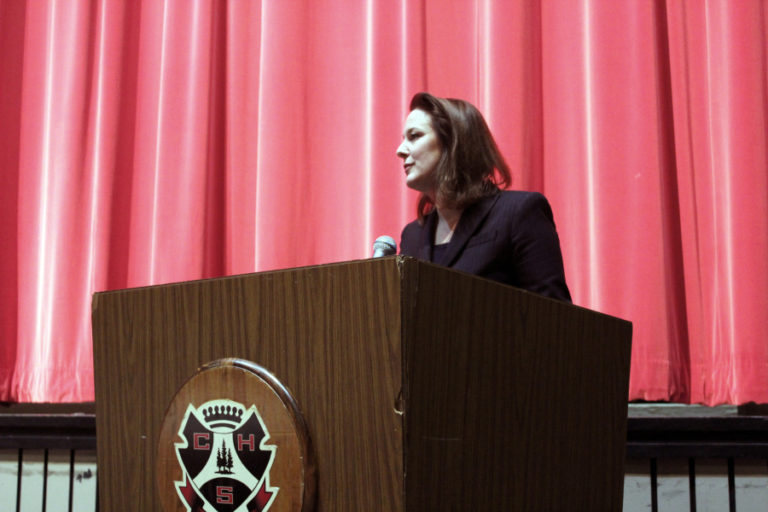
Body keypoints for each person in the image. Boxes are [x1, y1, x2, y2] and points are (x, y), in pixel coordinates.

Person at [396, 92, 572, 302]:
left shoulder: (519, 213)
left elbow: (556, 315)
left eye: (414, 136)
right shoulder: (412, 235)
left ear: (453, 142)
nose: (400, 150)